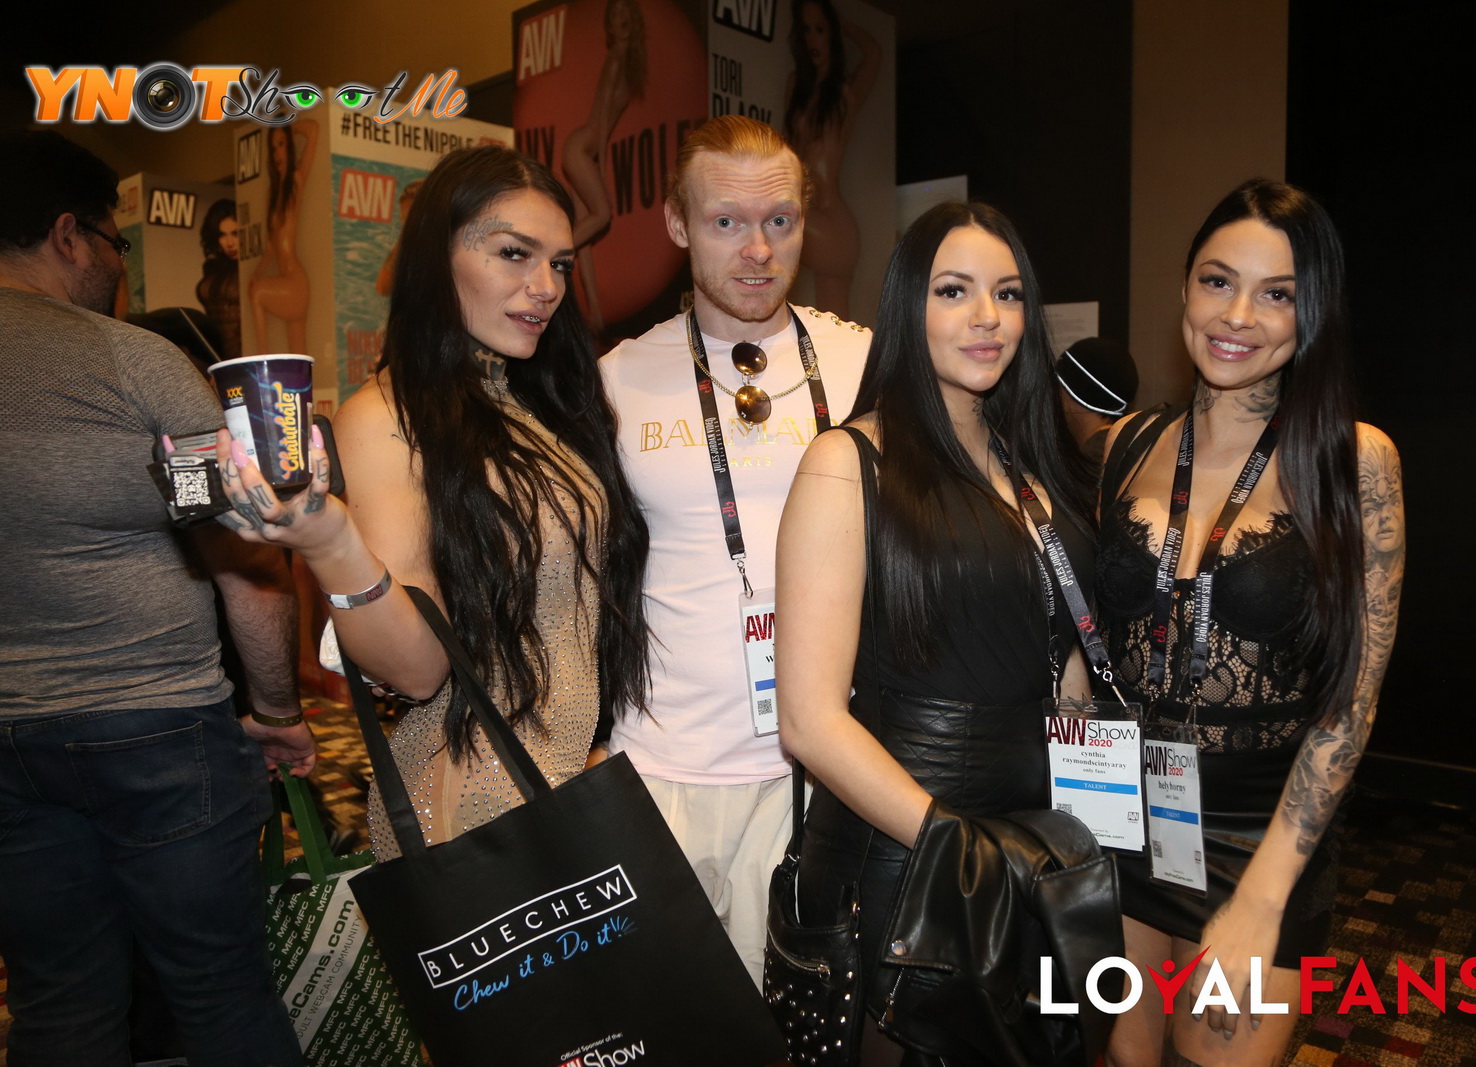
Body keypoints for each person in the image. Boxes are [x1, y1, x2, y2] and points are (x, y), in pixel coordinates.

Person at [211, 144, 650, 861]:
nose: (545, 286)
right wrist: (330, 543)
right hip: (474, 817)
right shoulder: (386, 418)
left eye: (561, 264)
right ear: (435, 258)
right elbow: (415, 671)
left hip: (567, 795)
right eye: (514, 253)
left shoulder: (537, 399)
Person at [0, 129, 312, 1067]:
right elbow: (240, 554)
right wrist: (278, 712)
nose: (119, 265)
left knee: (58, 999)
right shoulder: (131, 362)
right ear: (68, 235)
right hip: (159, 726)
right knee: (218, 989)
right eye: (115, 241)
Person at [775, 201, 1098, 1063]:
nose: (988, 316)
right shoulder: (848, 461)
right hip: (904, 855)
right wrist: (957, 845)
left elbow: (1053, 646)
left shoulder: (1032, 464)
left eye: (1008, 293)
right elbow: (809, 718)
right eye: (954, 291)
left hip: (1029, 847)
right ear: (907, 305)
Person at [1095, 179, 1405, 1066]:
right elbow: (1092, 652)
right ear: (1185, 287)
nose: (1238, 315)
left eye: (1277, 294)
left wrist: (1264, 899)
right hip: (1123, 823)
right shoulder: (1126, 444)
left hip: (1260, 832)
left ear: (1314, 312)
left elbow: (1351, 704)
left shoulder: (1353, 461)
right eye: (1217, 280)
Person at [597, 114, 872, 985]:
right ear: (678, 223)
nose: (757, 250)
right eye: (726, 222)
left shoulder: (865, 363)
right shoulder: (617, 378)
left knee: (799, 1028)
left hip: (823, 771)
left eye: (779, 221)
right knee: (672, 1025)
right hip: (659, 767)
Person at [784, 0, 880, 319]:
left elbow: (874, 52)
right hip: (811, 213)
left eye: (820, 30)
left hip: (833, 222)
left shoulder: (846, 92)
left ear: (833, 35)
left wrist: (840, 24)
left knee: (773, 220)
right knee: (834, 322)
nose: (812, 39)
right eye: (806, 30)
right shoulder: (796, 88)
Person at [561, 0, 647, 335]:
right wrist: (600, 165)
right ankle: (550, 255)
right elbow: (599, 122)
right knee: (602, 214)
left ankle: (594, 314)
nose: (620, 20)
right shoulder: (616, 60)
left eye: (625, 14)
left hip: (582, 149)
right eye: (614, 15)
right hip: (584, 149)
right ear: (609, 24)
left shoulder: (622, 59)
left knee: (585, 236)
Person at [249, 118, 316, 354]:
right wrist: (257, 273)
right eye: (273, 147)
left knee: (258, 293)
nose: (277, 152)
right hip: (289, 283)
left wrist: (288, 128)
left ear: (289, 145)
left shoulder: (295, 181)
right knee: (299, 355)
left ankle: (262, 358)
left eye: (281, 144)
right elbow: (270, 247)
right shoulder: (274, 193)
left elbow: (313, 129)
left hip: (296, 283)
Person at [1054, 335, 1140, 461]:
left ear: (1077, 393)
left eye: (1058, 383)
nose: (1054, 392)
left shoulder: (1097, 456)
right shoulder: (1118, 445)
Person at [195, 197, 242, 360]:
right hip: (216, 354)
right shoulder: (213, 267)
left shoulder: (251, 268)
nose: (229, 243)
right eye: (222, 235)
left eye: (235, 233)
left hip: (246, 351)